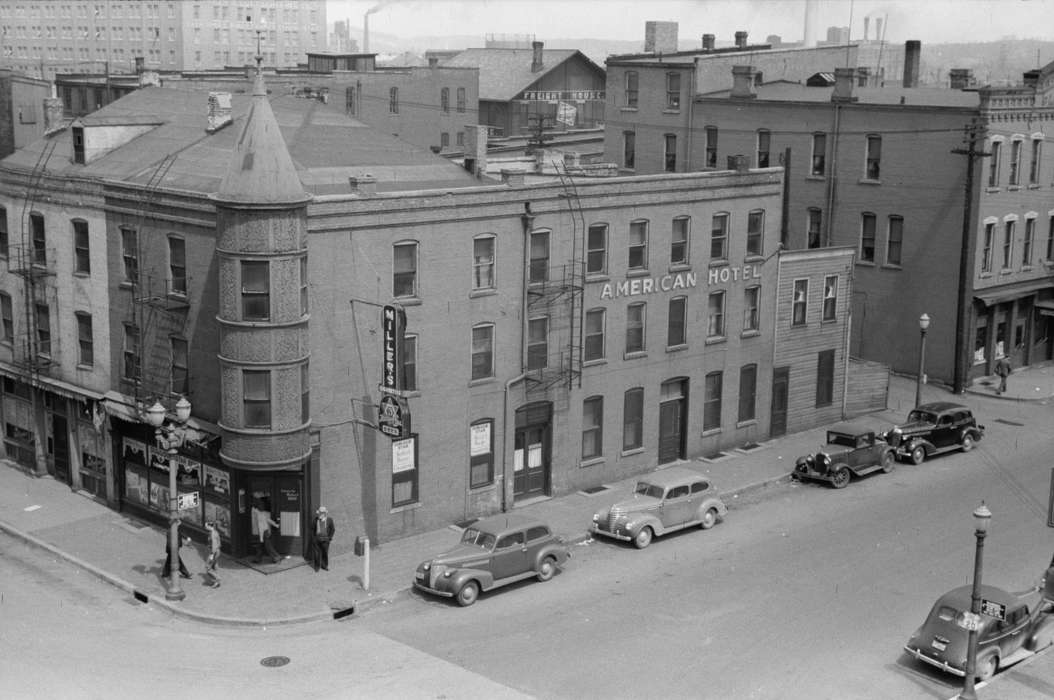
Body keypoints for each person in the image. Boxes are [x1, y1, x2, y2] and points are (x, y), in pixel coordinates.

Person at [251, 498, 282, 564]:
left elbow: (262, 525)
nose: (262, 507)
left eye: (262, 505)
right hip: (263, 531)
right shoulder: (262, 513)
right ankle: (258, 558)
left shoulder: (260, 514)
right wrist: (276, 525)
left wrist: (261, 537)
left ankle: (276, 557)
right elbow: (268, 520)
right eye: (260, 505)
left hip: (263, 532)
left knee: (267, 545)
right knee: (261, 545)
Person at [312, 506, 336, 572]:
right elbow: (312, 529)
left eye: (322, 513)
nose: (320, 514)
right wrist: (314, 538)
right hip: (317, 540)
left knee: (325, 553)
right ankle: (317, 567)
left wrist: (329, 538)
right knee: (316, 554)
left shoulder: (329, 520)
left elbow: (333, 529)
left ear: (325, 513)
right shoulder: (315, 520)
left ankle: (324, 566)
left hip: (325, 540)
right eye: (319, 513)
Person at [204, 521, 222, 588]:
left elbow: (214, 545)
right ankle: (216, 582)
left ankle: (217, 579)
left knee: (208, 567)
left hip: (214, 552)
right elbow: (219, 543)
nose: (205, 527)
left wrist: (212, 555)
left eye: (206, 526)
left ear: (209, 526)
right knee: (215, 565)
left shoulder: (212, 534)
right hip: (217, 551)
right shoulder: (215, 532)